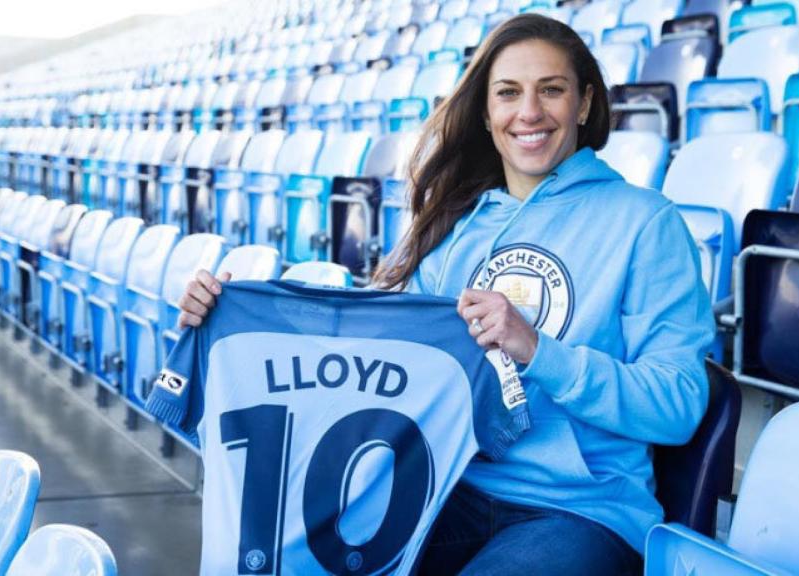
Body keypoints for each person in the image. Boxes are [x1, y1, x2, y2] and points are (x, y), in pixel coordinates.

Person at [178, 14, 714, 575]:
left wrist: (537, 350)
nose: (529, 111)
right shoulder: (455, 228)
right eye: (508, 93)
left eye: (551, 90)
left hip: (579, 510)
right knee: (296, 553)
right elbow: (379, 355)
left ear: (584, 104)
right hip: (444, 489)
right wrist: (238, 318)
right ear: (485, 113)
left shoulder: (646, 223)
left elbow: (677, 405)